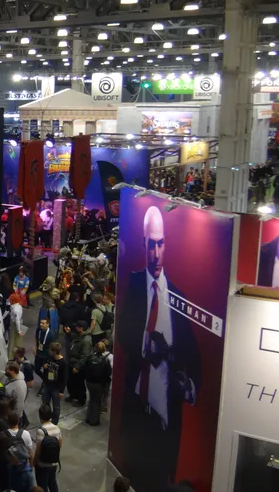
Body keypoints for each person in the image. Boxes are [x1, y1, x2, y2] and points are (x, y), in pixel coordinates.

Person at [120, 205, 200, 491]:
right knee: (131, 476)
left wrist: (188, 386)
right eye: (151, 244)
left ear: (166, 244)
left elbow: (193, 355)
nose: (155, 253)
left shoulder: (177, 297)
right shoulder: (132, 283)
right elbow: (122, 333)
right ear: (144, 244)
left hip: (166, 417)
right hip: (135, 407)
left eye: (161, 244)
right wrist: (146, 344)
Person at [1, 411, 33, 492]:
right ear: (18, 421)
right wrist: (30, 467)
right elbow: (30, 452)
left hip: (10, 468)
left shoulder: (3, 434)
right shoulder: (25, 434)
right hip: (24, 468)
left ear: (7, 421)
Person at [33, 405, 61, 492]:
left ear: (40, 416)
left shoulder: (40, 431)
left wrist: (34, 462)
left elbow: (38, 450)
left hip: (42, 464)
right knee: (52, 483)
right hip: (54, 463)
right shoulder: (57, 428)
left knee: (42, 486)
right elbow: (60, 444)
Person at [83, 341, 112, 426]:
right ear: (104, 349)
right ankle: (94, 420)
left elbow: (85, 367)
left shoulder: (90, 358)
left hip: (89, 382)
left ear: (95, 348)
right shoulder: (105, 360)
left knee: (91, 399)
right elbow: (108, 372)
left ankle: (88, 417)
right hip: (98, 384)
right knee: (97, 402)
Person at [39, 343, 68, 425]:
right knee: (45, 404)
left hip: (56, 387)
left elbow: (64, 378)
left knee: (56, 406)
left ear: (54, 351)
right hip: (47, 384)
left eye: (50, 350)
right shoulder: (49, 358)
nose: (49, 351)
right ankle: (47, 419)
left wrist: (61, 391)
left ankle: (54, 422)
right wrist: (44, 366)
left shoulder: (63, 363)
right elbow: (45, 366)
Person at [66, 322, 92, 406]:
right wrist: (69, 333)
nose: (75, 328)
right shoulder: (79, 335)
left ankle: (81, 400)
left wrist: (77, 367)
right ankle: (73, 395)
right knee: (71, 381)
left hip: (80, 366)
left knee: (79, 383)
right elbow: (73, 337)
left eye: (77, 327)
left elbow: (85, 356)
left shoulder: (86, 340)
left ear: (81, 328)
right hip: (72, 362)